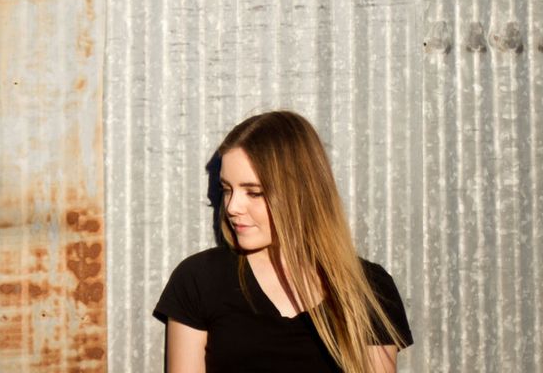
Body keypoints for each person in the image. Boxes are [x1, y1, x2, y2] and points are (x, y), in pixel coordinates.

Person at [153, 111, 413, 372]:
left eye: (254, 192)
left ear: (301, 192)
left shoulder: (368, 288)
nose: (232, 207)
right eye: (227, 189)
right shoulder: (199, 280)